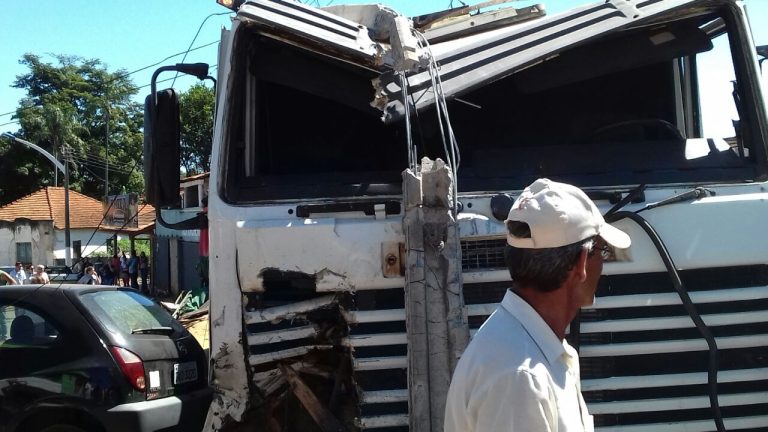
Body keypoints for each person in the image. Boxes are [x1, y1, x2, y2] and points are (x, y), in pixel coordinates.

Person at [444, 178, 631, 432]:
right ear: (582, 263)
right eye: (604, 251)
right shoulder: (521, 379)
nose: (604, 265)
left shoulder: (525, 349)